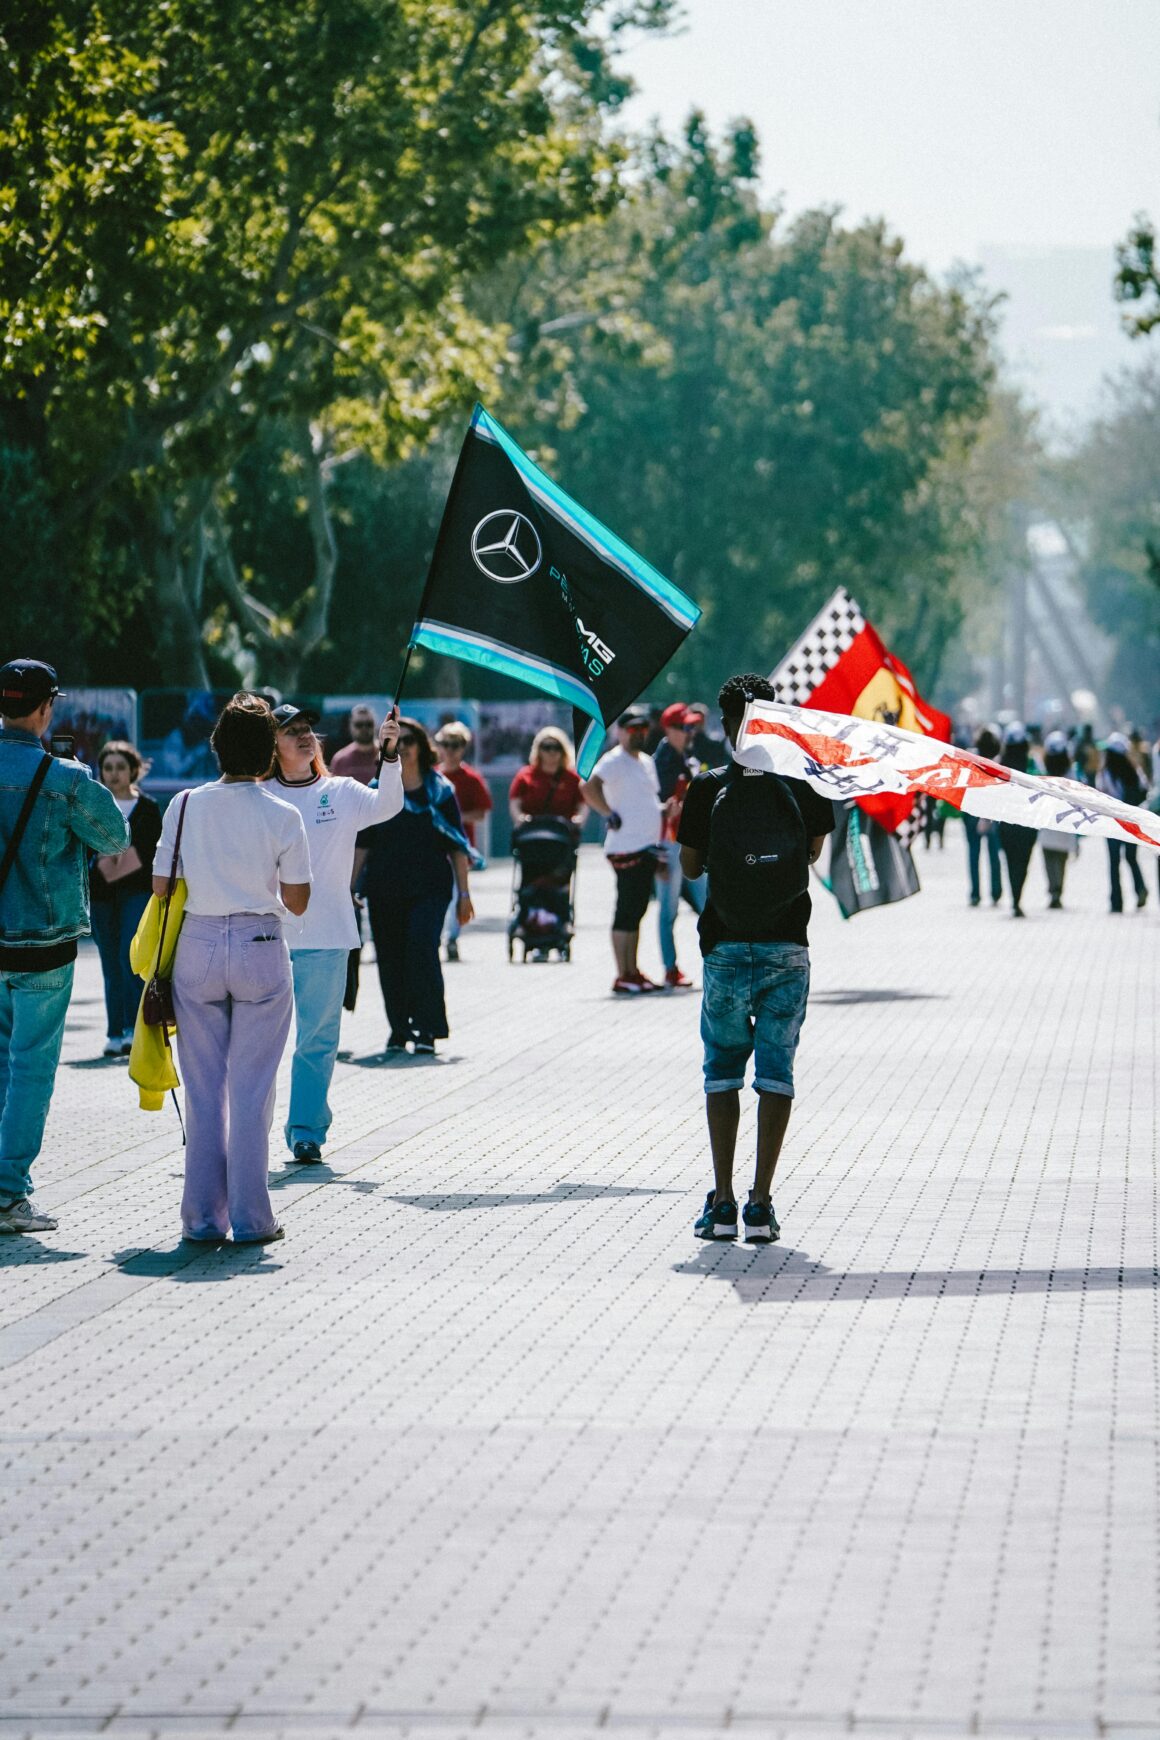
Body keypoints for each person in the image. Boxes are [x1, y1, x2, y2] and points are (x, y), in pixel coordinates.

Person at [678, 673, 835, 1244]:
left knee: (721, 1072)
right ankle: (761, 1205)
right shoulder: (801, 783)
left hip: (724, 944)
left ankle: (720, 1203)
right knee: (776, 1075)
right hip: (787, 945)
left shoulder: (706, 785)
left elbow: (692, 869)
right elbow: (813, 853)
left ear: (724, 724)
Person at [153, 693, 312, 1244]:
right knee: (252, 1090)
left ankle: (200, 1219)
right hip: (261, 944)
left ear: (217, 745)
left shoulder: (185, 804)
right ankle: (252, 1219)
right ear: (269, 752)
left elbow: (162, 886)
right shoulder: (284, 813)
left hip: (197, 945)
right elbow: (297, 901)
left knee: (203, 1090)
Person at [0, 659, 129, 1234]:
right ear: (47, 707)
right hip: (44, 943)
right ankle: (8, 1193)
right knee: (31, 1068)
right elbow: (114, 839)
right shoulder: (66, 778)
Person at [267, 701, 402, 1163]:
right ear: (273, 745)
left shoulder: (341, 790)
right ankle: (247, 1130)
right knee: (259, 1041)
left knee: (316, 1041)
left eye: (308, 729)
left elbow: (389, 804)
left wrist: (389, 755)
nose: (305, 736)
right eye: (292, 730)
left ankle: (305, 1132)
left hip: (327, 937)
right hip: (266, 937)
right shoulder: (258, 794)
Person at [357, 717, 476, 1055]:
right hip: (384, 888)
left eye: (410, 740)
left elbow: (457, 845)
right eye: (398, 740)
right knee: (391, 958)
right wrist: (349, 888)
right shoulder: (376, 791)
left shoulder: (440, 792)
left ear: (423, 747)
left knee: (422, 950)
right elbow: (362, 845)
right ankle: (399, 1029)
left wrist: (464, 894)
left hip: (430, 888)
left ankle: (427, 1028)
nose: (404, 746)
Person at [580, 708, 664, 995]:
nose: (639, 734)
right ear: (621, 731)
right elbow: (589, 786)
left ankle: (632, 969)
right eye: (632, 729)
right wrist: (607, 812)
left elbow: (647, 799)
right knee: (626, 909)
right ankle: (622, 972)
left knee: (637, 909)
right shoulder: (614, 760)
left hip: (646, 843)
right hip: (625, 845)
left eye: (643, 729)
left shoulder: (646, 761)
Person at [89, 740, 162, 1057]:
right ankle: (114, 1032)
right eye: (108, 768)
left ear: (133, 769)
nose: (114, 774)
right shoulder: (95, 804)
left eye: (120, 767)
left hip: (137, 893)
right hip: (102, 896)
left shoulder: (148, 807)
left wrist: (112, 863)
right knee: (109, 962)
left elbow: (150, 853)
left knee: (128, 957)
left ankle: (134, 1030)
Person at [653, 702, 705, 989]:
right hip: (668, 845)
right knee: (668, 910)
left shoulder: (683, 756)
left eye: (692, 727)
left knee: (709, 905)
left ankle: (715, 961)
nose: (691, 732)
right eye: (686, 727)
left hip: (687, 843)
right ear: (670, 730)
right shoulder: (662, 762)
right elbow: (653, 807)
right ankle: (670, 969)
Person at [434, 721, 492, 962]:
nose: (450, 750)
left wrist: (453, 818)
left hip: (459, 845)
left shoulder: (471, 778)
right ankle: (436, 935)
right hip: (434, 846)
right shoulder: (433, 775)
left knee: (459, 894)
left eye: (456, 745)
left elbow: (481, 812)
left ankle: (452, 938)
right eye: (446, 744)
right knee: (438, 893)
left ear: (463, 747)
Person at [1098, 733, 1149, 913]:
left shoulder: (1105, 772)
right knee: (1131, 857)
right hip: (1131, 823)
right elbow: (1144, 791)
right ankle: (1141, 889)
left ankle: (1116, 901)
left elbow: (1099, 794)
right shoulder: (1134, 772)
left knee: (1114, 861)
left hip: (1112, 823)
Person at [508, 728, 587, 830]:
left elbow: (582, 805)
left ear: (563, 751)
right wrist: (520, 818)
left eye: (557, 747)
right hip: (531, 833)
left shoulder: (573, 778)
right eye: (547, 747)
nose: (552, 752)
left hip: (563, 834)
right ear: (538, 750)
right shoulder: (524, 775)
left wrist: (578, 820)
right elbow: (514, 803)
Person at [997, 723, 1038, 918]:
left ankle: (1015, 897)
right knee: (1023, 862)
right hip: (1028, 823)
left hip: (1007, 823)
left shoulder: (1000, 764)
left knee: (1011, 861)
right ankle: (1017, 897)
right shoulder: (1032, 765)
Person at [964, 725, 1003, 907]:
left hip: (972, 813)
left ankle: (975, 893)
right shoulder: (998, 764)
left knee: (973, 854)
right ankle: (996, 891)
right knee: (994, 853)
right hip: (993, 813)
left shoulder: (970, 761)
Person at [1039, 730, 1078, 910]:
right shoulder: (1071, 772)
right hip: (1065, 821)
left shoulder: (1042, 770)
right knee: (1061, 858)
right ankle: (1058, 890)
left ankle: (1053, 889)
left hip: (1047, 819)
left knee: (1049, 856)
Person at [329, 704, 381, 785]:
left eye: (369, 724)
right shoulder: (340, 760)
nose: (364, 728)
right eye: (359, 725)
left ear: (375, 726)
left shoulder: (387, 755)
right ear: (350, 726)